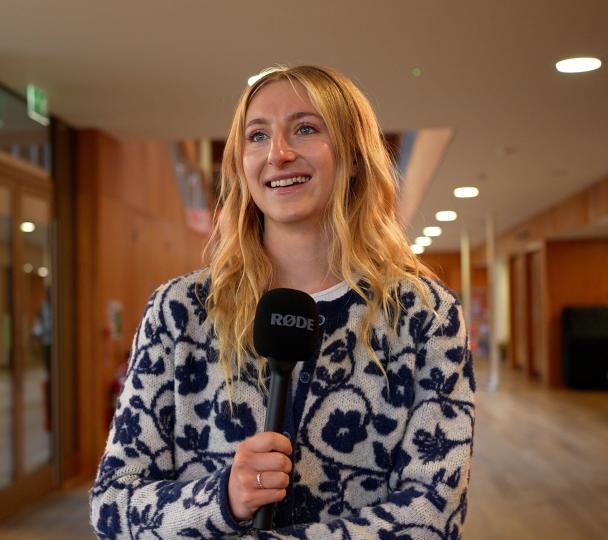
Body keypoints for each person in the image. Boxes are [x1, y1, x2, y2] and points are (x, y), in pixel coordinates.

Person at [89, 65, 475, 539]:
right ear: (240, 163)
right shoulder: (179, 311)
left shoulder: (425, 315)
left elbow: (433, 513)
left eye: (306, 129)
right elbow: (113, 506)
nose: (279, 153)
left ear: (354, 156)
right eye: (257, 136)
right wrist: (223, 498)